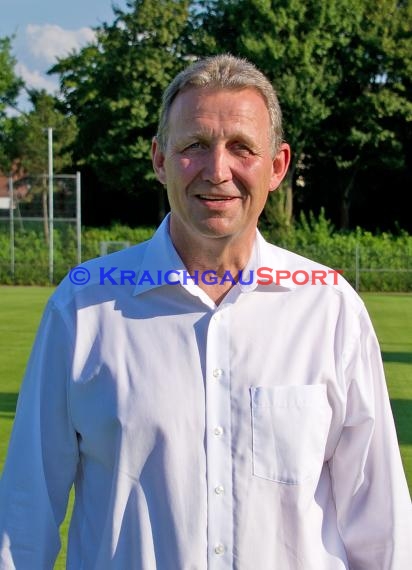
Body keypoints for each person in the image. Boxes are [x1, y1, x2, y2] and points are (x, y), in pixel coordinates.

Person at [0, 54, 411, 570]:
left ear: (278, 166)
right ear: (159, 160)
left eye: (242, 147)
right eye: (194, 146)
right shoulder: (83, 309)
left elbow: (382, 526)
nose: (218, 171)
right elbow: (24, 516)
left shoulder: (329, 309)